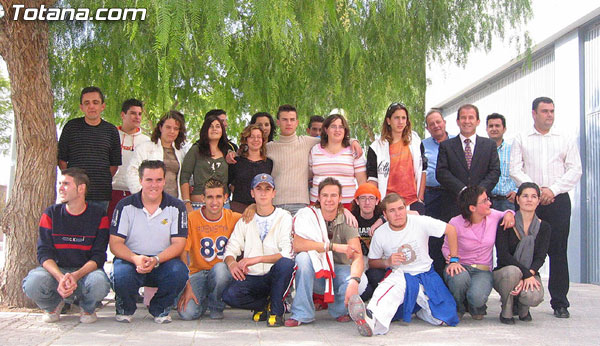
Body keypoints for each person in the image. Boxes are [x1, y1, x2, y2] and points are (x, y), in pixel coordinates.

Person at [347, 193, 461, 336]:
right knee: (387, 292)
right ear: (385, 214)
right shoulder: (380, 233)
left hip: (426, 274)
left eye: (400, 209)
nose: (398, 214)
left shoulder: (420, 221)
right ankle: (370, 318)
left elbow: (450, 230)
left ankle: (417, 308)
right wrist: (387, 262)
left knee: (446, 317)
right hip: (400, 274)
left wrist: (454, 259)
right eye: (392, 210)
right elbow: (372, 262)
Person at [510, 96, 582, 318]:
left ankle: (560, 302)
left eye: (552, 111)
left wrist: (553, 190)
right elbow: (515, 169)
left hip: (557, 200)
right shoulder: (522, 138)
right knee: (525, 250)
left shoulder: (565, 138)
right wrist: (536, 192)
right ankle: (520, 301)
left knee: (558, 251)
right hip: (529, 202)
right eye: (544, 111)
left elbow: (575, 169)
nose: (549, 115)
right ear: (534, 113)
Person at [22, 168, 110, 323]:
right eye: (60, 183)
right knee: (33, 282)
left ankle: (87, 308)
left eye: (66, 184)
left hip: (85, 272)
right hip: (57, 271)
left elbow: (99, 256)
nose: (60, 188)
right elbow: (44, 253)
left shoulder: (99, 215)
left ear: (81, 188)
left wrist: (76, 275)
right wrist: (61, 277)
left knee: (100, 283)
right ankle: (53, 306)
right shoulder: (51, 214)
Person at [110, 160, 189, 324]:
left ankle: (160, 308)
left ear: (164, 180)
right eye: (149, 180)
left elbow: (179, 244)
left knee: (179, 271)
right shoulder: (124, 206)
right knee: (120, 274)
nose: (154, 185)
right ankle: (125, 307)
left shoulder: (176, 207)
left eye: (159, 180)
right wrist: (135, 258)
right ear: (140, 181)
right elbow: (115, 243)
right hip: (132, 260)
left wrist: (156, 259)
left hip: (162, 261)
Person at [285, 177, 364, 327]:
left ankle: (341, 311)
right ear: (318, 198)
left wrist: (354, 281)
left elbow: (357, 255)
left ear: (340, 198)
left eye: (334, 195)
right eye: (325, 195)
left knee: (360, 278)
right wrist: (333, 246)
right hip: (316, 274)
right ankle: (302, 313)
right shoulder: (308, 215)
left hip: (338, 273)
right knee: (302, 258)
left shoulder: (347, 220)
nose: (329, 199)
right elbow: (298, 245)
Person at [222, 174, 295, 327]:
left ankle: (276, 310)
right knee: (229, 295)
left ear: (274, 193)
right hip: (253, 275)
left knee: (286, 264)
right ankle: (262, 305)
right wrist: (232, 264)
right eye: (259, 189)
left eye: (267, 189)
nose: (263, 193)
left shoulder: (284, 217)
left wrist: (257, 259)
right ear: (252, 193)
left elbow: (286, 253)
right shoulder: (246, 218)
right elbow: (231, 248)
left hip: (273, 274)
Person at [264, 104, 362, 216]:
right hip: (276, 203)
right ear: (278, 122)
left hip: (300, 204)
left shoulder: (307, 142)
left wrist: (353, 141)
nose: (289, 123)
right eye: (284, 119)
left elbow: (335, 138)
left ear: (297, 122)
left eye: (292, 119)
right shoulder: (268, 148)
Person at [442, 186, 515, 320]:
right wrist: (453, 261)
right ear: (472, 208)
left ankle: (477, 306)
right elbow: (446, 247)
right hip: (460, 265)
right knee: (459, 279)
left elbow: (507, 213)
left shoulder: (492, 215)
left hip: (483, 270)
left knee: (477, 297)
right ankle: (458, 306)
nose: (490, 203)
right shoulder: (455, 222)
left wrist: (509, 212)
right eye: (485, 201)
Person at [177, 179, 241, 320]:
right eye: (210, 197)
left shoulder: (234, 218)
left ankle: (216, 305)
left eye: (218, 197)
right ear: (203, 198)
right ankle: (203, 298)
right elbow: (182, 253)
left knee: (220, 269)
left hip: (221, 273)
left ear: (225, 198)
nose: (214, 202)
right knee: (187, 314)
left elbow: (254, 217)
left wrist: (252, 208)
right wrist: (187, 286)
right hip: (197, 273)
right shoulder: (192, 219)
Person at [493, 182, 550, 324]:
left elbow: (540, 257)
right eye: (525, 196)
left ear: (538, 201)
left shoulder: (544, 227)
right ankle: (507, 310)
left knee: (533, 296)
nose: (529, 200)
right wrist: (524, 274)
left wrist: (528, 275)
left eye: (533, 196)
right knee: (513, 272)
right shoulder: (506, 223)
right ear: (517, 199)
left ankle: (524, 308)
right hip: (506, 273)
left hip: (530, 272)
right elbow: (503, 256)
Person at [58, 86, 122, 212]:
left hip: (101, 195)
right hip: (74, 194)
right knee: (72, 230)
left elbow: (114, 164)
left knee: (96, 231)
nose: (91, 106)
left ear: (102, 106)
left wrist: (100, 178)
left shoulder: (111, 131)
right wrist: (72, 182)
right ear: (81, 107)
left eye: (95, 102)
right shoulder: (71, 127)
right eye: (87, 103)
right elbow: (62, 160)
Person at [436, 104, 501, 220]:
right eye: (463, 118)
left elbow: (495, 171)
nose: (467, 121)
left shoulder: (489, 145)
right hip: (454, 204)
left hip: (482, 205)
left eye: (471, 117)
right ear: (457, 121)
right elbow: (441, 172)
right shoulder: (446, 146)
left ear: (478, 121)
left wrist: (478, 193)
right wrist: (464, 191)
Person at [367, 102, 426, 214]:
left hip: (412, 201)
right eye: (396, 118)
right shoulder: (376, 147)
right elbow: (372, 178)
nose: (400, 122)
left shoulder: (416, 142)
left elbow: (423, 170)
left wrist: (420, 198)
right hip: (388, 203)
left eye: (404, 118)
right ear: (388, 121)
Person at [421, 109, 455, 277]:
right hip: (431, 195)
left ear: (444, 122)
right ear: (427, 128)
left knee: (452, 234)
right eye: (431, 124)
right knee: (433, 237)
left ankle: (453, 274)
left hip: (452, 195)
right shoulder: (423, 145)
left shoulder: (457, 142)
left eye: (438, 122)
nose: (436, 126)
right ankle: (436, 277)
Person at [309, 114, 367, 208]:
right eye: (333, 126)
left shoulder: (354, 151)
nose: (337, 130)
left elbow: (362, 182)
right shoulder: (315, 150)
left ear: (345, 130)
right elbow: (310, 176)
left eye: (341, 127)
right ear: (325, 129)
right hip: (318, 204)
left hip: (347, 204)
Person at [127, 110, 187, 199]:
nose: (172, 131)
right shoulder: (144, 148)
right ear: (160, 128)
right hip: (150, 202)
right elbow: (132, 173)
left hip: (174, 202)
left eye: (176, 128)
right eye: (168, 127)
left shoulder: (181, 152)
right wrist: (143, 196)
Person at [108, 98, 150, 219]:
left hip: (136, 194)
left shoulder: (146, 142)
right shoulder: (111, 136)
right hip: (111, 192)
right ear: (123, 115)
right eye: (133, 113)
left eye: (139, 114)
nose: (137, 117)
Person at [180, 114, 230, 212]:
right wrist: (187, 203)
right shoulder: (196, 150)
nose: (214, 129)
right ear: (205, 130)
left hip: (223, 207)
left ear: (222, 131)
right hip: (198, 206)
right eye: (210, 126)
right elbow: (184, 176)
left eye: (217, 126)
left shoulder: (226, 152)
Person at [228, 124, 273, 213]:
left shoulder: (269, 163)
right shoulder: (236, 162)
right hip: (238, 208)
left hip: (261, 209)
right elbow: (229, 183)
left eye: (258, 137)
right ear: (246, 140)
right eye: (251, 137)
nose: (255, 140)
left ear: (263, 140)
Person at [351, 183, 384, 301]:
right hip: (358, 262)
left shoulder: (382, 217)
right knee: (365, 292)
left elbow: (411, 214)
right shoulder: (351, 217)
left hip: (376, 261)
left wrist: (382, 220)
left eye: (371, 198)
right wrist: (344, 212)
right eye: (363, 198)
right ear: (357, 201)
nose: (367, 202)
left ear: (377, 201)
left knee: (377, 277)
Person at [486, 113, 517, 211]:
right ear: (486, 129)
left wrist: (517, 191)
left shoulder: (513, 150)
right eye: (491, 126)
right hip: (486, 201)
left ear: (504, 129)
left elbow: (522, 171)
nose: (494, 129)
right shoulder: (481, 151)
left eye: (497, 126)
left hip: (508, 201)